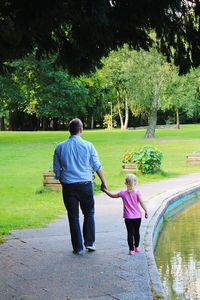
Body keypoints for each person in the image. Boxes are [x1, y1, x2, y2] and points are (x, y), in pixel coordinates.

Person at [53, 118, 107, 255]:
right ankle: (90, 243)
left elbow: (57, 170)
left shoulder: (59, 147)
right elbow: (96, 166)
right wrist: (103, 182)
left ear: (69, 130)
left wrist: (63, 181)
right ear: (81, 130)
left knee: (73, 216)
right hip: (85, 185)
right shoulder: (88, 146)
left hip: (68, 186)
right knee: (89, 213)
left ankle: (77, 248)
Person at [102, 174, 148, 255]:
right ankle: (137, 247)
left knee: (130, 233)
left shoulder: (122, 193)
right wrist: (146, 211)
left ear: (125, 183)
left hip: (128, 217)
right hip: (137, 217)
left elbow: (112, 196)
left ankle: (131, 250)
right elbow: (141, 202)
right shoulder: (137, 193)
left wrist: (105, 191)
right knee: (136, 232)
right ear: (135, 183)